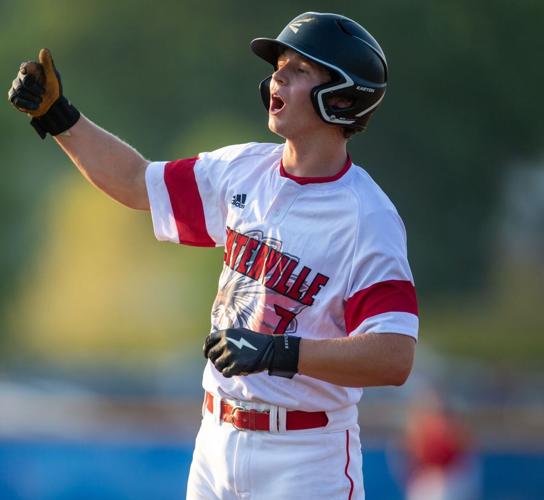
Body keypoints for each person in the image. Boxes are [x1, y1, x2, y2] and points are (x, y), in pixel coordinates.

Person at [8, 11, 419, 499]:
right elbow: (137, 182)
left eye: (300, 68)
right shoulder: (242, 170)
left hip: (305, 454)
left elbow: (394, 356)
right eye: (279, 65)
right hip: (215, 440)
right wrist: (59, 118)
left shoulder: (366, 217)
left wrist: (281, 352)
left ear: (344, 97)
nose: (278, 76)